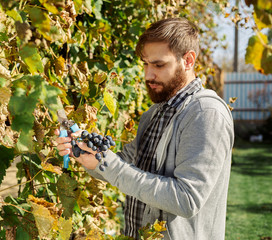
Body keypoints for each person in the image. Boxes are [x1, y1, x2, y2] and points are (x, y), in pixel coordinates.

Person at [55, 17, 234, 240]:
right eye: (146, 64)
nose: (148, 75)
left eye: (159, 65)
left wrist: (108, 163)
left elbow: (187, 199)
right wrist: (82, 152)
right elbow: (123, 164)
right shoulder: (155, 113)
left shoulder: (205, 113)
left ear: (188, 60)